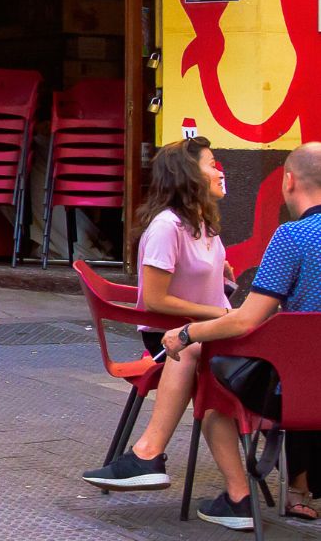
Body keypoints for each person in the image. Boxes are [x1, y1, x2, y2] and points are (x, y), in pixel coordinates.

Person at [161, 142, 321, 530]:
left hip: (299, 393)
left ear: (288, 182)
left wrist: (188, 332)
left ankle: (240, 496)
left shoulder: (292, 237)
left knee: (216, 395)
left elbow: (245, 321)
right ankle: (299, 487)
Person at [80, 137, 232, 490]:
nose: (220, 172)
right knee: (199, 354)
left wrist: (222, 284)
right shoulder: (167, 226)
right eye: (212, 165)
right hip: (169, 335)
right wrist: (218, 314)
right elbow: (154, 300)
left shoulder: (204, 224)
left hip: (205, 327)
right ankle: (149, 455)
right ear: (188, 175)